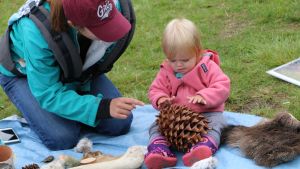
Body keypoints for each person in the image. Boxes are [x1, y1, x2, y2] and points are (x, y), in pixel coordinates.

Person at [0, 0, 144, 150]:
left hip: (75, 71)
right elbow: (48, 93)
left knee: (120, 123)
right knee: (62, 137)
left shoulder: (109, 6)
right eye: (100, 28)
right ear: (73, 24)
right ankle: (32, 106)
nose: (111, 33)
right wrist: (101, 107)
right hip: (24, 75)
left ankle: (70, 109)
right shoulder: (34, 30)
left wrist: (96, 106)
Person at [144, 18, 230, 168]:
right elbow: (155, 89)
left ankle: (203, 147)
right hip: (175, 119)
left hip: (206, 114)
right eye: (172, 60)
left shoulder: (207, 67)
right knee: (155, 127)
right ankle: (160, 150)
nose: (178, 65)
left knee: (219, 124)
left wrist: (204, 96)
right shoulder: (166, 71)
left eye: (184, 60)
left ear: (197, 52)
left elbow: (222, 85)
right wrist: (161, 99)